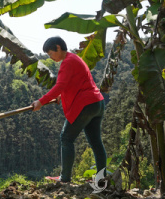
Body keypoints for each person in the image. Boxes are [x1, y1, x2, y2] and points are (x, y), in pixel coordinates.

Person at [32, 36, 110, 184]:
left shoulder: (67, 62)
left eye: (50, 53)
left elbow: (60, 85)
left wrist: (41, 102)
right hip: (97, 103)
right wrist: (61, 96)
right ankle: (101, 179)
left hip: (85, 105)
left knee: (66, 138)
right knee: (96, 143)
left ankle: (65, 178)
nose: (50, 57)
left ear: (58, 47)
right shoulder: (75, 58)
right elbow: (75, 83)